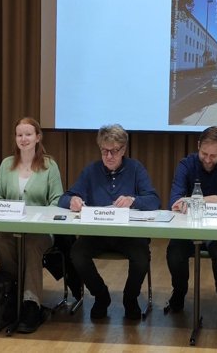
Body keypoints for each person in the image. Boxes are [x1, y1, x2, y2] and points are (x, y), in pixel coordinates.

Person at [58, 124, 161, 320]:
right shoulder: (92, 171)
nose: (109, 156)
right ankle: (100, 295)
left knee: (141, 257)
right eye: (104, 151)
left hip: (129, 234)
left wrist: (133, 201)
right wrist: (72, 200)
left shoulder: (136, 168)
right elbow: (64, 198)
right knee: (77, 253)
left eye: (114, 151)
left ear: (123, 150)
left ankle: (130, 298)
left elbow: (154, 200)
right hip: (98, 233)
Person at [0, 117, 64, 333]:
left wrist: (39, 217)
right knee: (1, 242)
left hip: (41, 231)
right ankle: (14, 291)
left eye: (28, 134)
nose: (23, 139)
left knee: (31, 245)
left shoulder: (49, 165)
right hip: (11, 228)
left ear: (38, 137)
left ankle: (31, 305)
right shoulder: (6, 164)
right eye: (19, 135)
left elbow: (57, 201)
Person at [166, 126, 217, 316]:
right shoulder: (186, 164)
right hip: (189, 228)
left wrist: (193, 201)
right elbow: (175, 202)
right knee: (174, 252)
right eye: (204, 154)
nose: (208, 160)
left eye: (213, 156)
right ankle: (179, 293)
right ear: (198, 146)